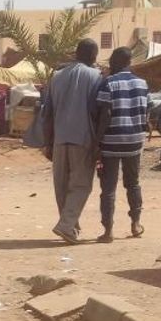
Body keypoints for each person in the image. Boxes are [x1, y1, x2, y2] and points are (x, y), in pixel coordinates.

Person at [42, 39, 103, 244]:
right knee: (81, 185)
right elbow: (98, 110)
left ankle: (70, 225)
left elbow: (47, 113)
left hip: (60, 138)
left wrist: (48, 142)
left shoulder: (57, 77)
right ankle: (66, 225)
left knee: (61, 185)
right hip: (83, 137)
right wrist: (98, 143)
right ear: (93, 55)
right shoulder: (95, 76)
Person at [94, 47, 149, 243]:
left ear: (117, 62)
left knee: (108, 188)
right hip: (134, 141)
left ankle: (108, 231)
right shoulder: (143, 83)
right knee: (132, 184)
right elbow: (145, 110)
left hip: (111, 142)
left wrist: (97, 142)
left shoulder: (108, 83)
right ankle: (135, 224)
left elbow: (105, 114)